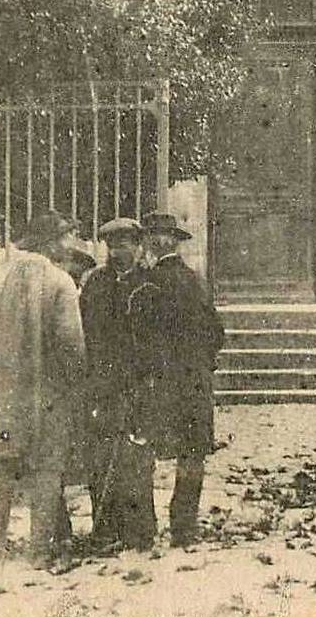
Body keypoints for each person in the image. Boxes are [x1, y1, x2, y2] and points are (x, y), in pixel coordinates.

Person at [0, 210, 86, 570]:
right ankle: (39, 551)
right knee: (46, 473)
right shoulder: (60, 281)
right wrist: (70, 384)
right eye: (64, 237)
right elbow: (71, 344)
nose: (69, 243)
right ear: (49, 242)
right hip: (46, 397)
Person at [136, 211, 225, 548]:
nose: (158, 241)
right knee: (191, 453)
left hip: (156, 379)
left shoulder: (143, 283)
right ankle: (184, 527)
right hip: (192, 380)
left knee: (144, 450)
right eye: (156, 234)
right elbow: (216, 331)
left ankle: (144, 528)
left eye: (160, 236)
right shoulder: (193, 280)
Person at [79, 218, 158, 553]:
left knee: (137, 457)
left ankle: (139, 531)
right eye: (112, 244)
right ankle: (106, 527)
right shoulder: (95, 283)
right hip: (101, 381)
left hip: (139, 381)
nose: (118, 250)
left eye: (125, 243)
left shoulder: (150, 284)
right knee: (101, 456)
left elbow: (159, 337)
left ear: (138, 246)